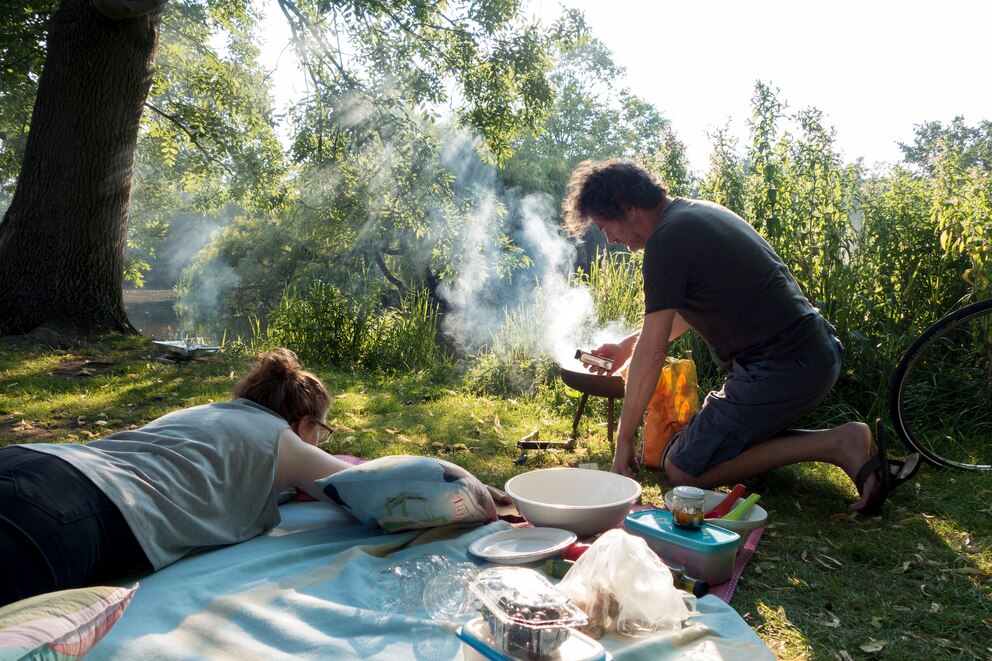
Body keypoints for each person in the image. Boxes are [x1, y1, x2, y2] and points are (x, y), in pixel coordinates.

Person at [0, 348, 508, 606]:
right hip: (76, 509)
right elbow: (382, 491)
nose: (319, 443)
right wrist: (489, 495)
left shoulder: (196, 415)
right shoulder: (279, 437)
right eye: (321, 432)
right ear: (303, 422)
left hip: (32, 460)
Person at [561, 159, 915, 516]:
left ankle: (839, 443)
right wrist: (624, 348)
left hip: (784, 367)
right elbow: (683, 313)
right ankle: (815, 445)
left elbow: (653, 350)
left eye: (606, 226)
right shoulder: (691, 214)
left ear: (628, 209)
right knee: (693, 450)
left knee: (683, 467)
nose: (609, 239)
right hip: (810, 355)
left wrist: (623, 439)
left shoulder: (667, 240)